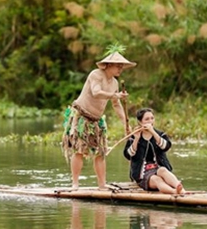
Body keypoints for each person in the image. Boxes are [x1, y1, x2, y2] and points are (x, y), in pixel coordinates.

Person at [62, 50, 135, 189]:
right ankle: (75, 183)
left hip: (97, 120)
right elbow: (96, 93)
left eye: (122, 66)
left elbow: (116, 105)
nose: (120, 69)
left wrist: (125, 122)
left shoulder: (114, 83)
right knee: (79, 150)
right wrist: (115, 96)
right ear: (108, 65)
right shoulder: (96, 74)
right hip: (82, 116)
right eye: (117, 65)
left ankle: (102, 184)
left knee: (101, 152)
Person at [123, 107, 185, 195]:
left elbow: (166, 146)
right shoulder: (133, 137)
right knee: (156, 179)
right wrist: (136, 139)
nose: (150, 121)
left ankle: (181, 189)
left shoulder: (160, 134)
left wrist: (153, 133)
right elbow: (128, 155)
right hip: (143, 173)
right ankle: (174, 191)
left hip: (158, 168)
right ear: (140, 122)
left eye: (152, 118)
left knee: (163, 170)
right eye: (147, 119)